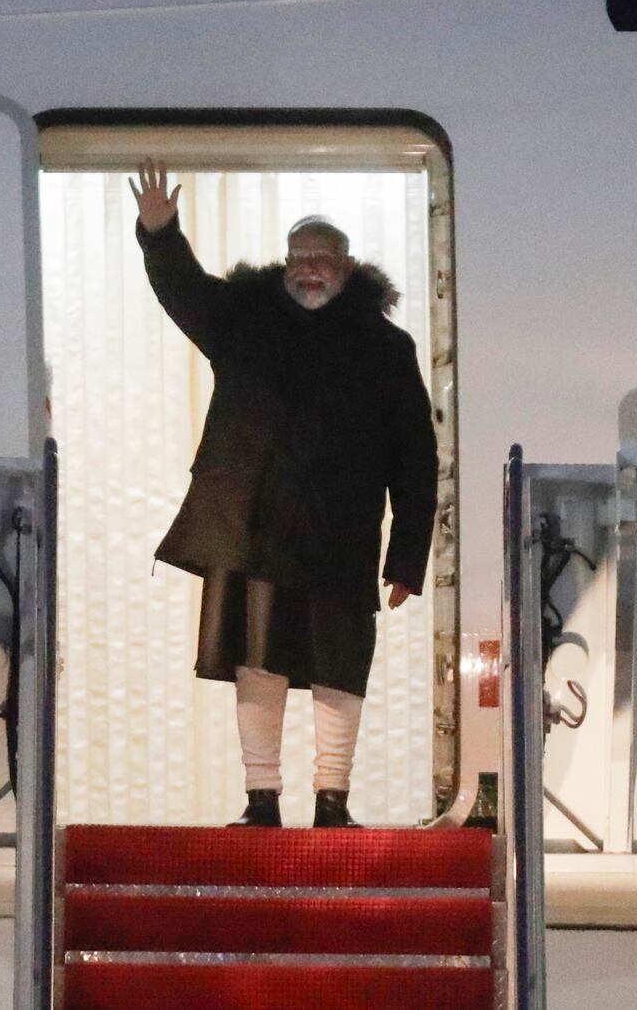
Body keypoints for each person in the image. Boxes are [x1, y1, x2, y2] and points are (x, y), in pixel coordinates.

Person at [130, 159, 439, 829]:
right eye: (299, 255)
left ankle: (334, 802)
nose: (308, 268)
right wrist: (160, 234)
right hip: (256, 529)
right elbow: (186, 292)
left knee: (339, 666)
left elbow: (417, 457)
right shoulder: (245, 320)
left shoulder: (388, 348)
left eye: (322, 257)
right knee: (258, 662)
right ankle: (260, 800)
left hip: (343, 534)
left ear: (348, 266)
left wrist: (408, 555)